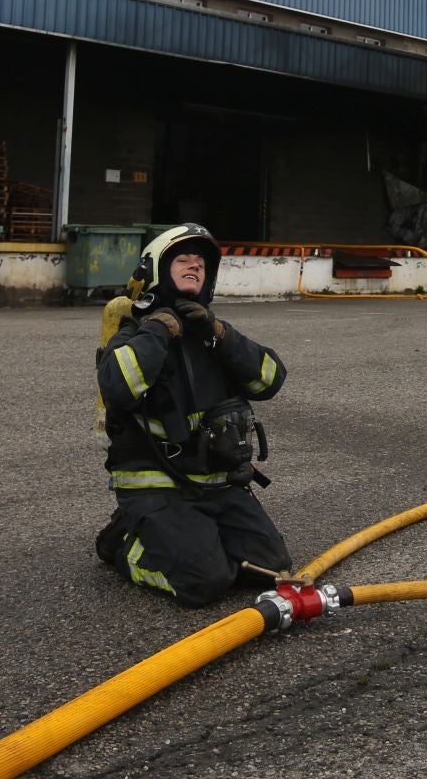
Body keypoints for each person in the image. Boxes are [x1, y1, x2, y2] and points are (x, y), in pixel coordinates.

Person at [93, 222, 292, 605]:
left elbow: (270, 380)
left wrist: (222, 334)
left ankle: (191, 537)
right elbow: (117, 387)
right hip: (157, 485)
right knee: (204, 581)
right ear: (155, 271)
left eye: (201, 263)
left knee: (272, 568)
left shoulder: (214, 335)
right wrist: (159, 332)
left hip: (215, 481)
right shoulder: (134, 332)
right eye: (182, 260)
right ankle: (124, 542)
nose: (194, 266)